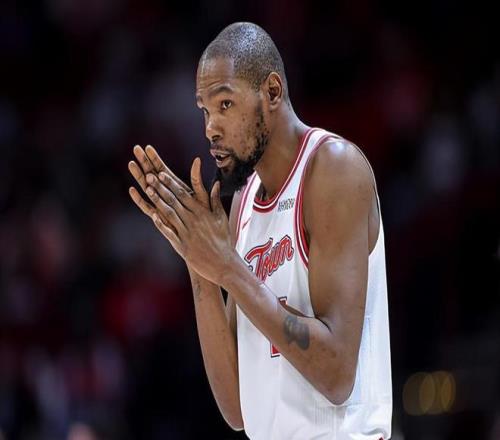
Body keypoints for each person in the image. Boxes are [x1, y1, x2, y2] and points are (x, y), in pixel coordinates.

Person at [128, 22, 392, 440]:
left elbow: (337, 374)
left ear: (271, 92)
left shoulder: (333, 170)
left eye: (225, 104)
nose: (210, 128)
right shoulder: (244, 201)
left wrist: (228, 268)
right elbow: (238, 409)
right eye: (204, 110)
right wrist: (199, 262)